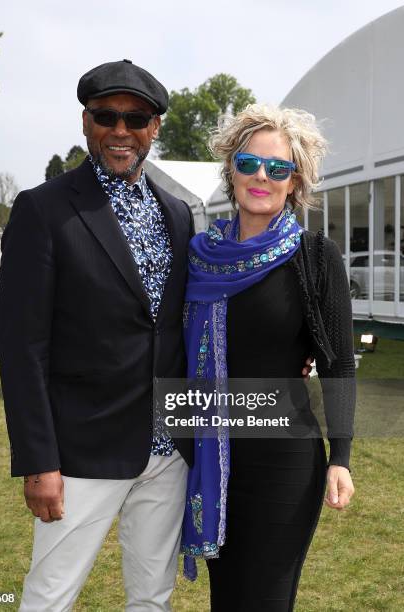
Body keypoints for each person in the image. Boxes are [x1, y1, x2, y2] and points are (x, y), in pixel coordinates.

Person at [0, 59, 195, 611]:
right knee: (49, 598)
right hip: (80, 452)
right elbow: (21, 346)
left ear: (155, 127)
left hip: (167, 449)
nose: (121, 131)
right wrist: (39, 461)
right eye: (106, 116)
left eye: (137, 118)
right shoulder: (44, 208)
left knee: (152, 598)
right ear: (86, 122)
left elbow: (190, 320)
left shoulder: (177, 214)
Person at [180, 104, 356, 611]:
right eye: (249, 163)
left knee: (265, 601)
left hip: (284, 463)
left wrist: (341, 459)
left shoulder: (314, 257)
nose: (262, 176)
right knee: (227, 601)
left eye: (278, 168)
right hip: (210, 461)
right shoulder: (197, 257)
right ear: (230, 169)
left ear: (294, 181)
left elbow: (339, 364)